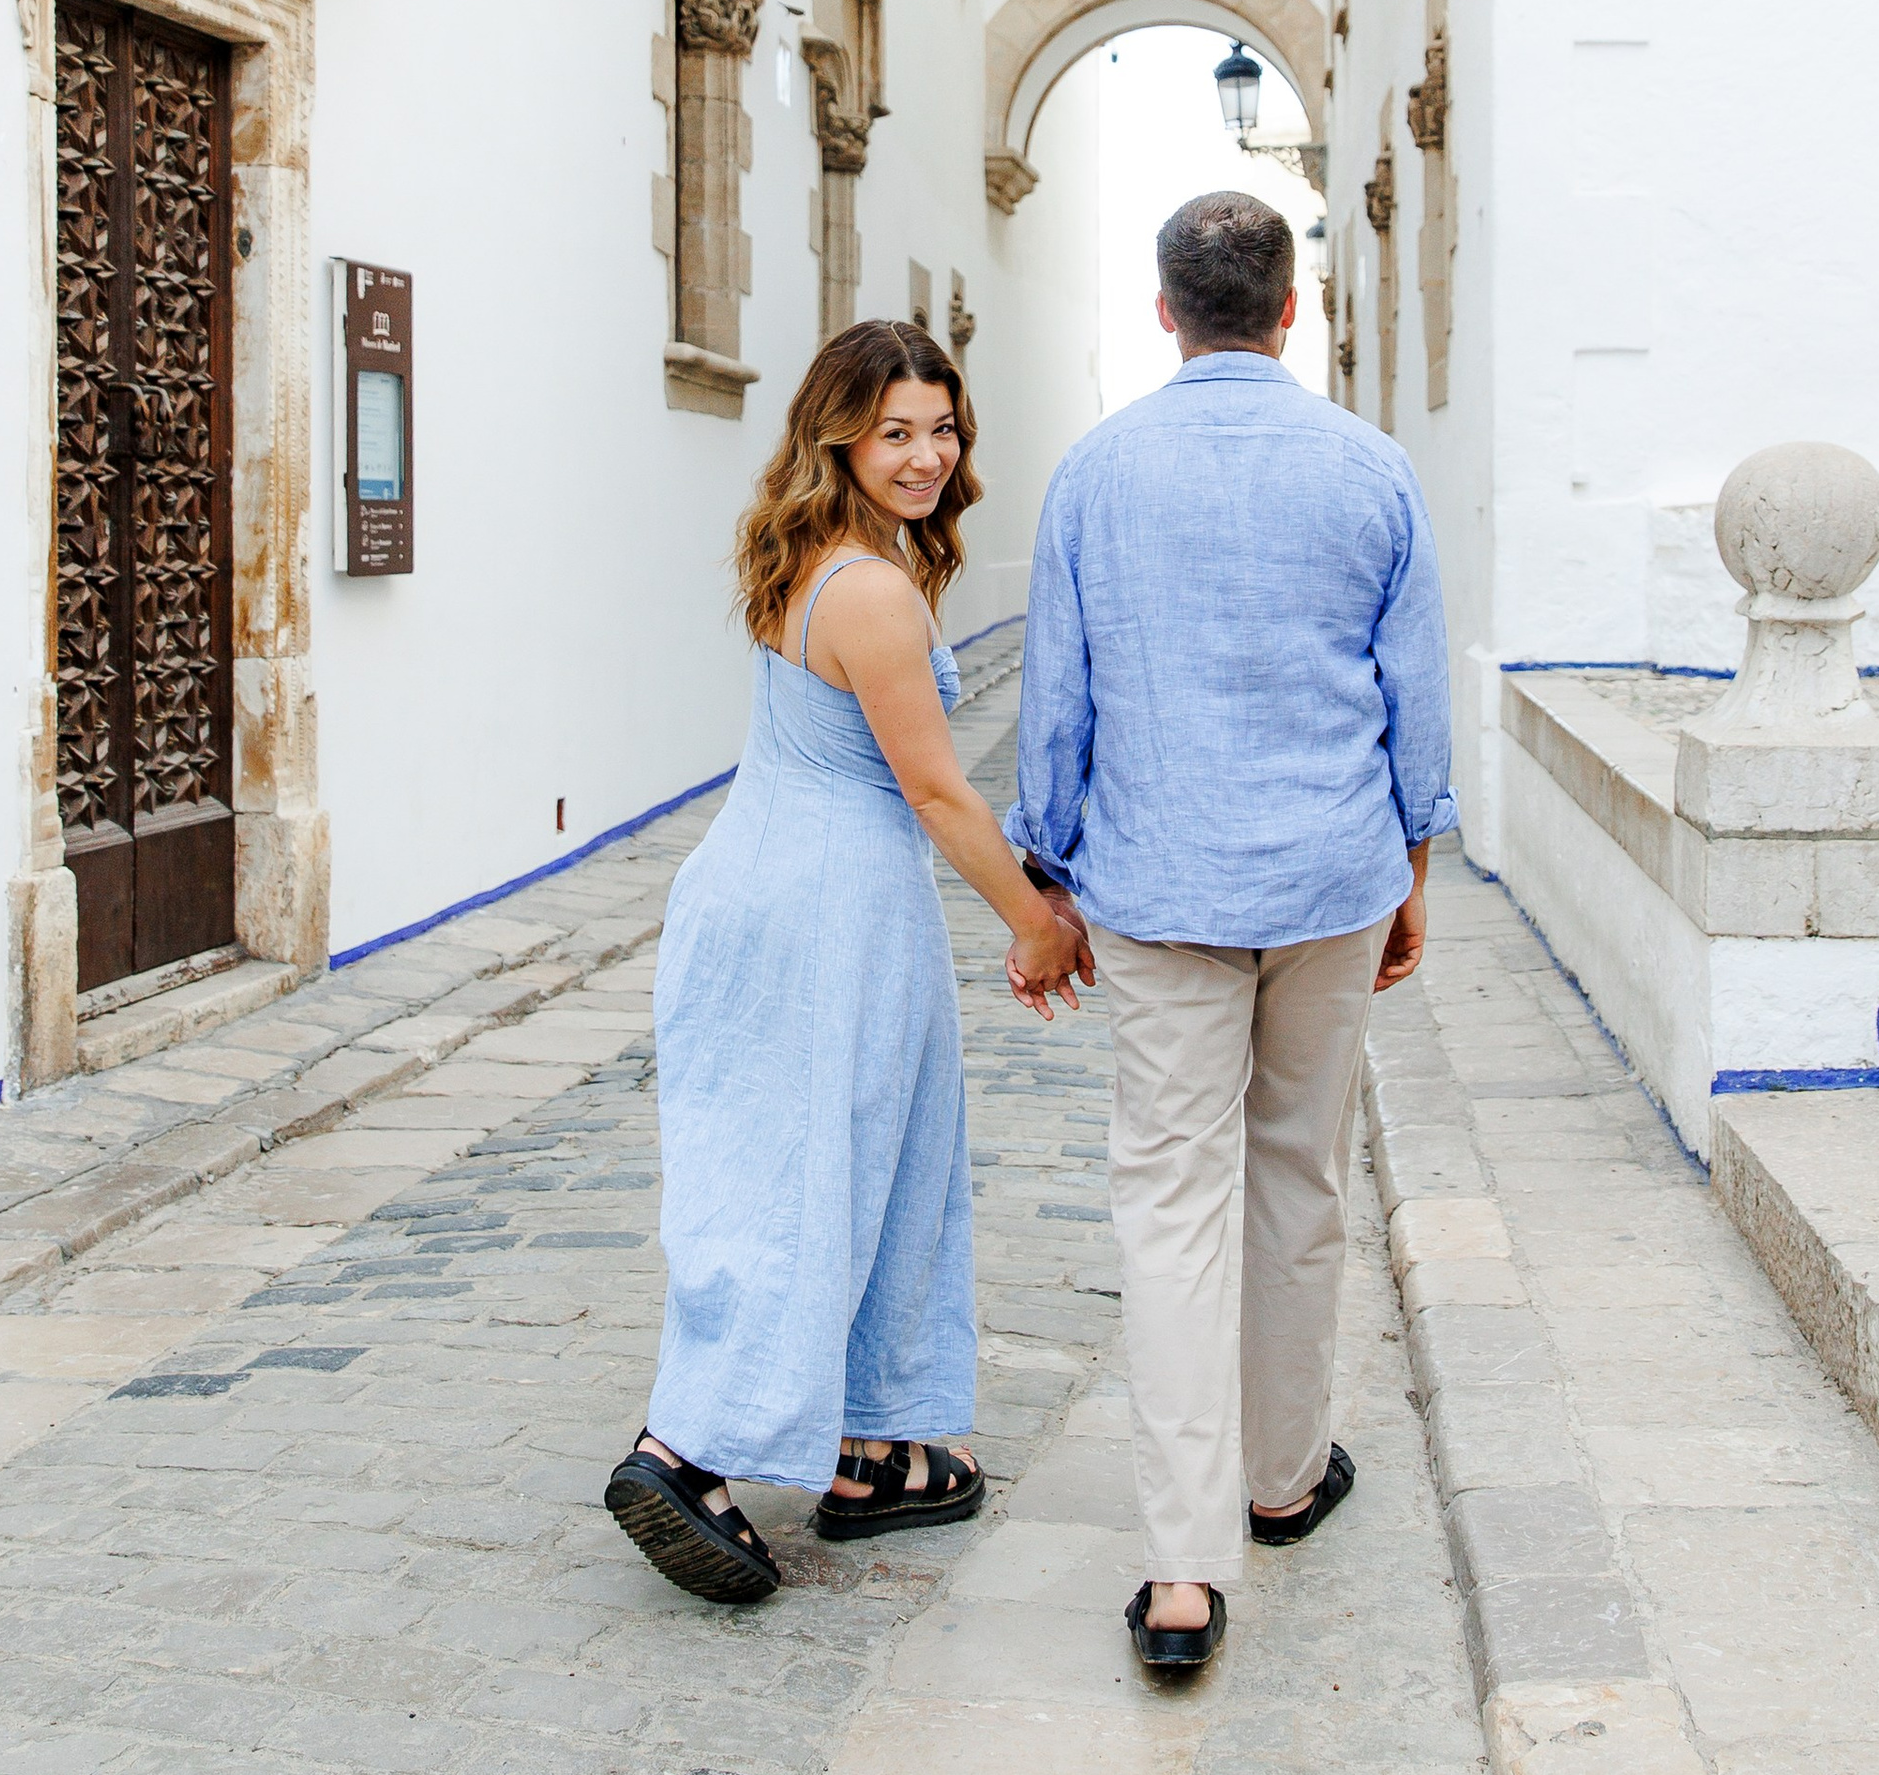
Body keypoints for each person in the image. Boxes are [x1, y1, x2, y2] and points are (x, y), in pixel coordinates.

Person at [1005, 188, 1454, 1680]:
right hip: (1329, 878)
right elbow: (1411, 690)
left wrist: (1047, 873)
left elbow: (1058, 697)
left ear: (1163, 312)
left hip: (1160, 887)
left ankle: (1184, 1573)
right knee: (1299, 1175)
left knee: (1170, 1202)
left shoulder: (1095, 475)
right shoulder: (1371, 470)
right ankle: (1284, 1474)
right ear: (1293, 308)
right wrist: (1412, 861)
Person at [606, 319, 1091, 1605]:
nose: (927, 455)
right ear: (839, 436)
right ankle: (683, 1453)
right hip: (827, 908)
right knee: (810, 1174)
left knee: (873, 1160)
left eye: (943, 429)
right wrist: (1036, 924)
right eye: (895, 433)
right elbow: (936, 791)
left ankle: (876, 1447)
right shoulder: (871, 590)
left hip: (785, 887)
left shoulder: (819, 557)